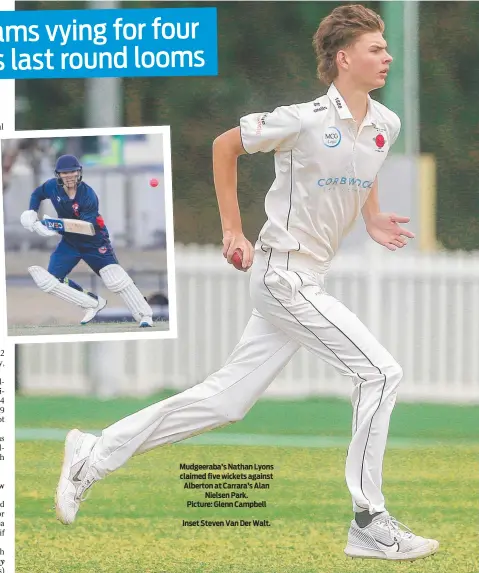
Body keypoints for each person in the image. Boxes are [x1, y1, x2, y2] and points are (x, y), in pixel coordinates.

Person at [54, 4, 439, 561]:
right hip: (283, 276)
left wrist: (372, 215)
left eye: (386, 48)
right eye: (377, 49)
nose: (388, 57)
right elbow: (224, 146)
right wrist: (232, 230)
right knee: (381, 373)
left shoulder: (386, 125)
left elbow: (365, 168)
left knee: (226, 402)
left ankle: (94, 453)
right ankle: (368, 520)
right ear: (343, 58)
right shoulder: (302, 119)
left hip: (306, 277)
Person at [20, 154, 153, 327]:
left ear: (78, 172)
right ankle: (91, 303)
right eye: (64, 173)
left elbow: (85, 227)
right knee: (51, 281)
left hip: (94, 241)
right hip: (70, 243)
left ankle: (145, 315)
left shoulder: (88, 195)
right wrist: (31, 212)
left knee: (114, 278)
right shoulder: (52, 187)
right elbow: (37, 194)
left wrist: (53, 225)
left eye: (72, 172)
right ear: (58, 175)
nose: (69, 176)